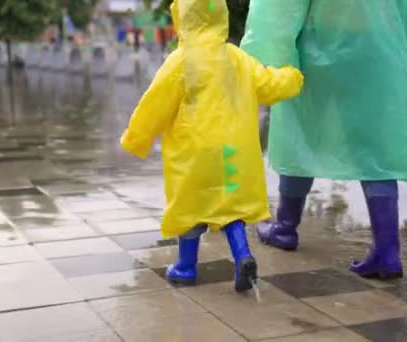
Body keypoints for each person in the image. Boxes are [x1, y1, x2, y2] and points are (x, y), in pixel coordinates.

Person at [241, 0, 407, 279]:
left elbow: (279, 8)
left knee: (300, 131)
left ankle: (285, 227)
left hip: (318, 41)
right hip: (375, 43)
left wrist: (270, 52)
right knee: (374, 146)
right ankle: (387, 252)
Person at [120, 0, 303, 292]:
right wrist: (293, 77)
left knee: (190, 210)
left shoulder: (181, 60)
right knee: (230, 209)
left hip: (193, 156)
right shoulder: (236, 58)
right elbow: (268, 85)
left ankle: (185, 267)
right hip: (232, 154)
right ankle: (243, 255)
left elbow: (155, 102)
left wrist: (136, 136)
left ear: (183, 18)